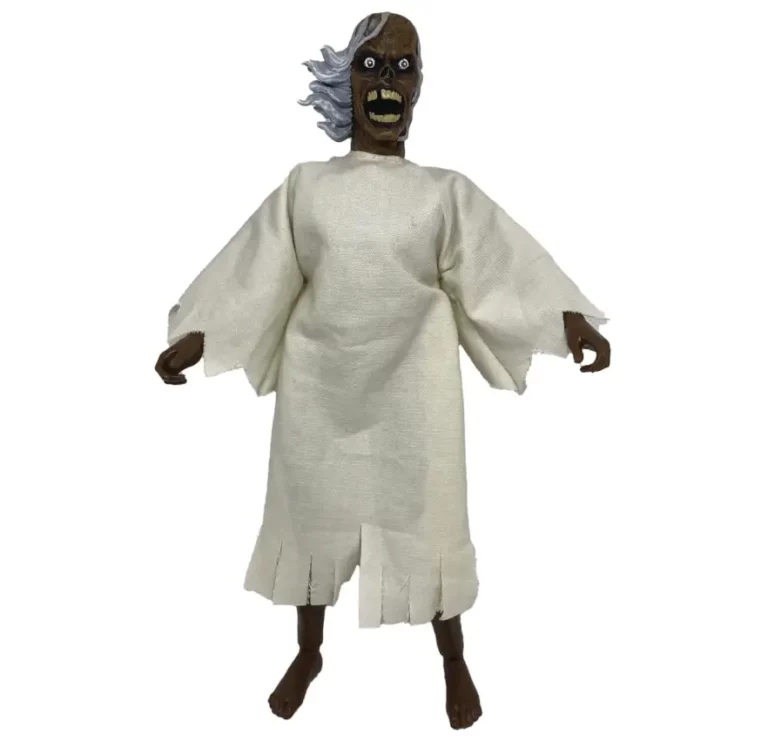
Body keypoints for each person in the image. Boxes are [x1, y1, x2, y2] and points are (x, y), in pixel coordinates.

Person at [155, 12, 610, 730]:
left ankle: (453, 658)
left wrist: (565, 317)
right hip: (320, 394)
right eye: (371, 66)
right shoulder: (306, 188)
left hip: (414, 396)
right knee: (311, 517)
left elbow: (498, 263)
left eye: (403, 66)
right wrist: (199, 334)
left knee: (428, 518)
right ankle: (309, 651)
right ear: (348, 81)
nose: (387, 81)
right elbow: (258, 268)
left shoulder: (443, 193)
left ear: (420, 85)